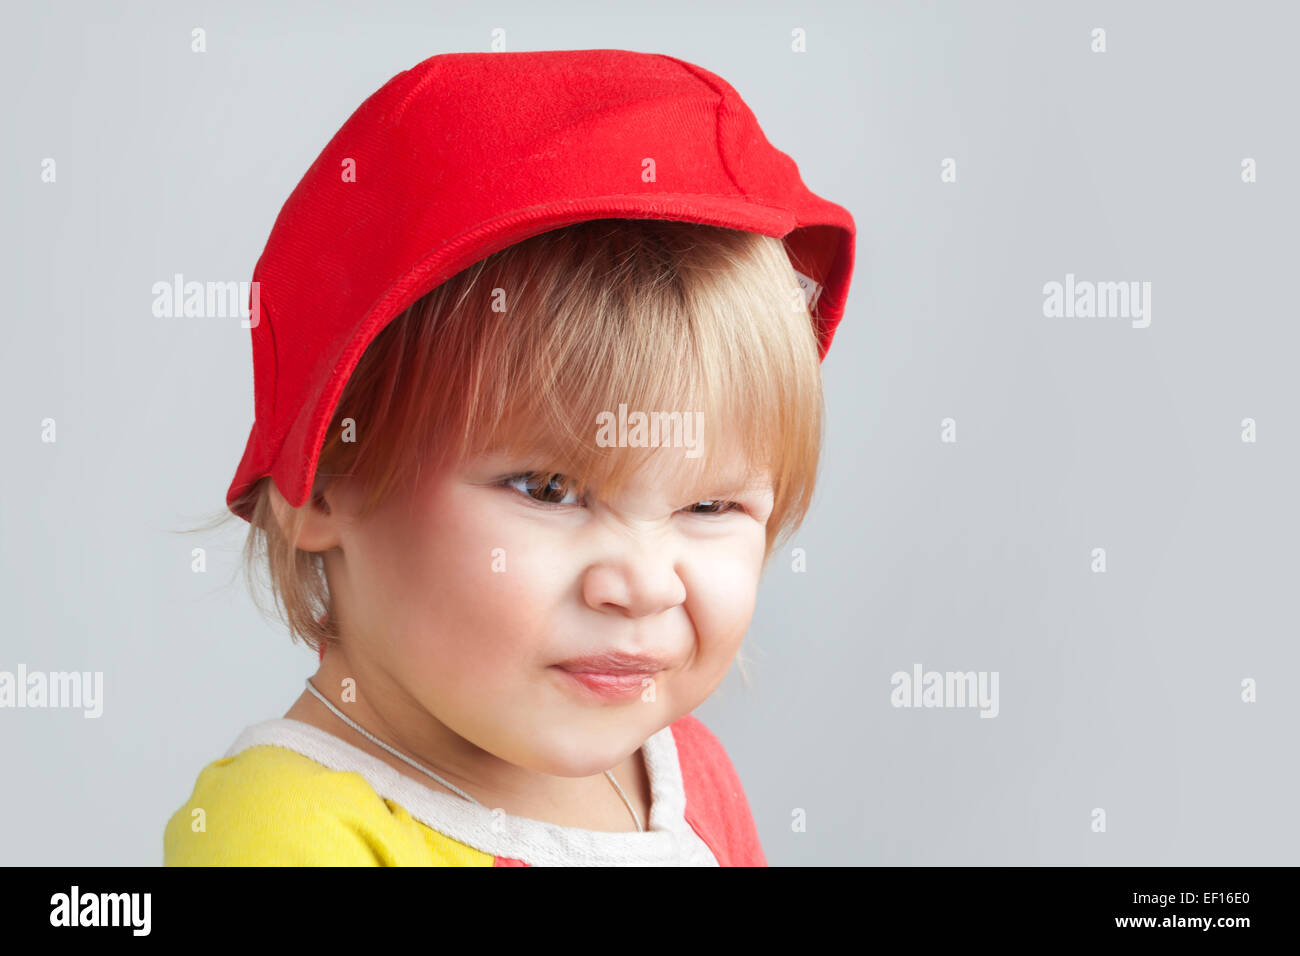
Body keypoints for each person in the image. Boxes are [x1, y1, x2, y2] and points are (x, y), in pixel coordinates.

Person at [164, 48, 855, 866]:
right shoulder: (285, 830)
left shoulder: (686, 779)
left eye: (709, 507)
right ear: (324, 482)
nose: (641, 584)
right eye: (551, 489)